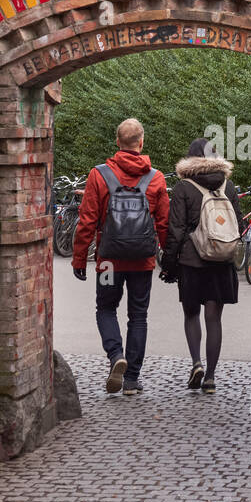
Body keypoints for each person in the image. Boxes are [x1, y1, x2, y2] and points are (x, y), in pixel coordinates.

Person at [71, 118, 169, 396]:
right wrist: (169, 260)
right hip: (142, 260)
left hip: (108, 260)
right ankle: (132, 380)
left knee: (105, 308)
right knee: (138, 315)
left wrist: (80, 259)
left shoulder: (99, 175)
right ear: (141, 142)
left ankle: (116, 356)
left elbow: (87, 221)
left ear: (117, 142)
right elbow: (164, 224)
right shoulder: (156, 178)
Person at [159, 138, 242, 394]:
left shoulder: (184, 187)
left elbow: (176, 229)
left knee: (191, 314)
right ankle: (211, 377)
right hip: (221, 259)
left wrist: (168, 263)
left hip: (192, 261)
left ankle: (196, 363)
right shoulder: (229, 187)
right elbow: (238, 223)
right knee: (214, 318)